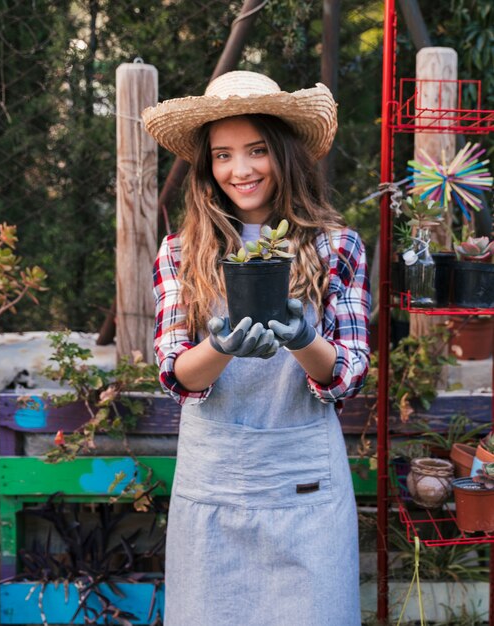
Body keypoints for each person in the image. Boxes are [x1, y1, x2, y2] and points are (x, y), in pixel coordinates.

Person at [142, 70, 371, 626]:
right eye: (223, 155)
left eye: (257, 150)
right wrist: (219, 348)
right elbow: (176, 375)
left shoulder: (335, 245)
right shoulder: (180, 251)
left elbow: (348, 374)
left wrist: (302, 339)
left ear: (285, 154)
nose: (240, 170)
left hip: (306, 485)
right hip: (213, 482)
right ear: (207, 166)